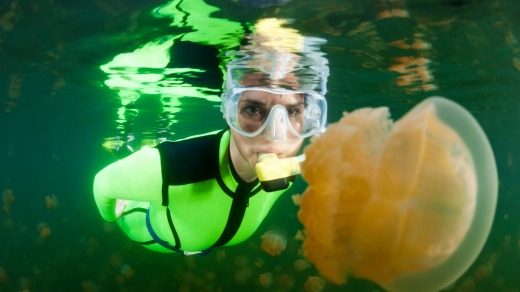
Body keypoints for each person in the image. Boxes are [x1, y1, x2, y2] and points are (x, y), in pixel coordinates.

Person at [93, 21, 329, 255]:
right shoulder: (174, 167)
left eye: (292, 111)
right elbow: (102, 184)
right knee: (130, 157)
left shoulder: (289, 172)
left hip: (199, 240)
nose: (275, 138)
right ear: (228, 111)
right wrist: (111, 216)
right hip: (146, 227)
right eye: (253, 110)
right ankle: (126, 143)